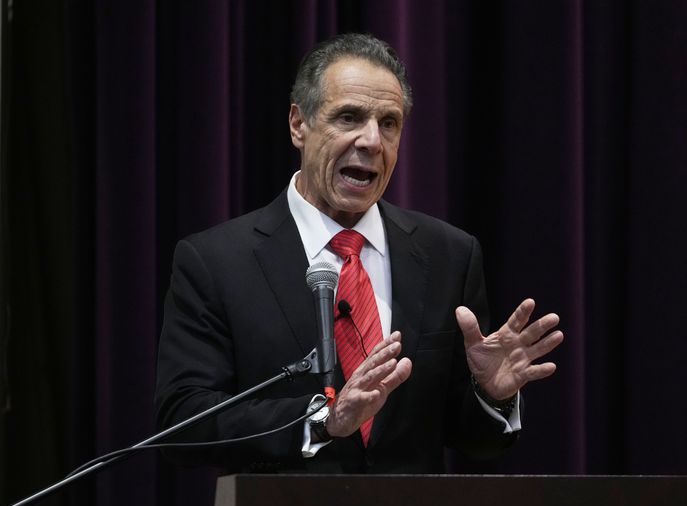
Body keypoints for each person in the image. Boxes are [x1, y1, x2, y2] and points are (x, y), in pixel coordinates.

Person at [154, 33, 563, 474]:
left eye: (388, 123)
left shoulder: (449, 254)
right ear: (298, 124)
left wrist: (490, 396)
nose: (371, 141)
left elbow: (471, 439)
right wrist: (320, 421)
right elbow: (183, 424)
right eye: (349, 117)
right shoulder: (215, 262)